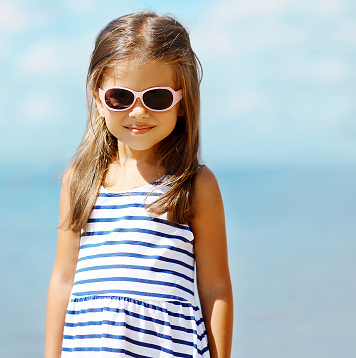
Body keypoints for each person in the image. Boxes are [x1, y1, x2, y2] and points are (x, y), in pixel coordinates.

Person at [45, 11, 233, 358]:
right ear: (99, 98)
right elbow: (62, 280)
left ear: (182, 101)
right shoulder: (81, 179)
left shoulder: (192, 184)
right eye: (121, 97)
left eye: (156, 98)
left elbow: (216, 287)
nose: (138, 112)